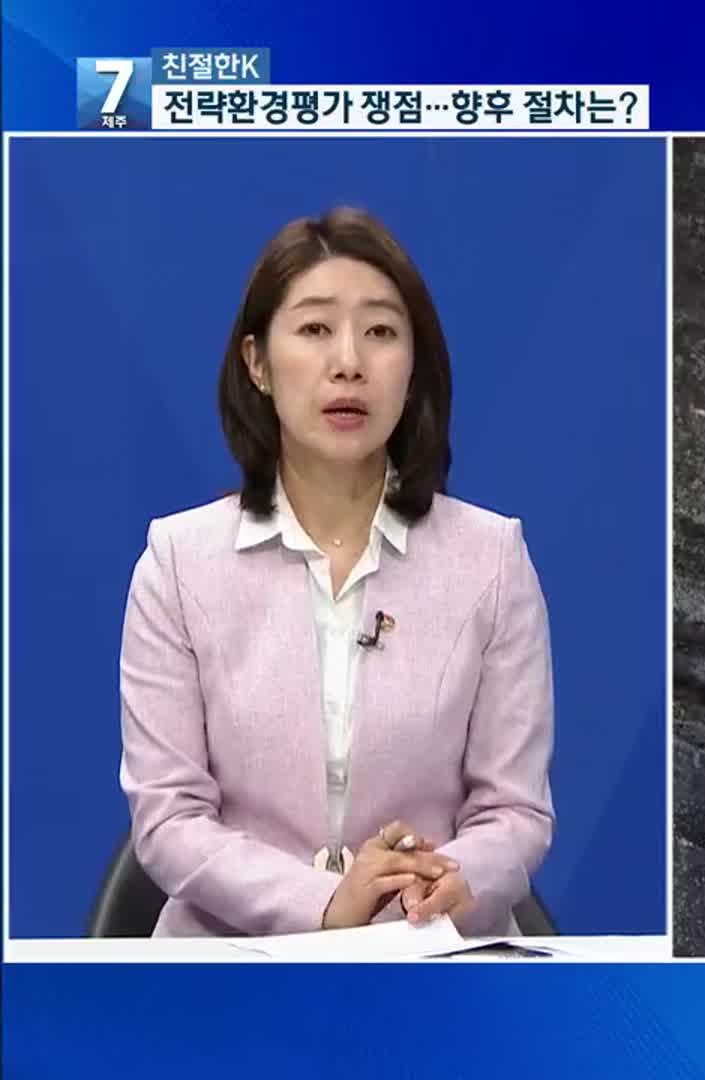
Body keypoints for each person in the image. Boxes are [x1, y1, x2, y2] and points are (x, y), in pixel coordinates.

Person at [117, 207, 556, 938]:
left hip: (431, 959)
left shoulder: (493, 558)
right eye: (315, 329)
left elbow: (515, 811)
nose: (348, 362)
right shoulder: (178, 562)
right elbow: (168, 818)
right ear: (257, 363)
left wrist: (456, 874)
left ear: (412, 367)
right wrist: (322, 904)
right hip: (232, 967)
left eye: (381, 332)